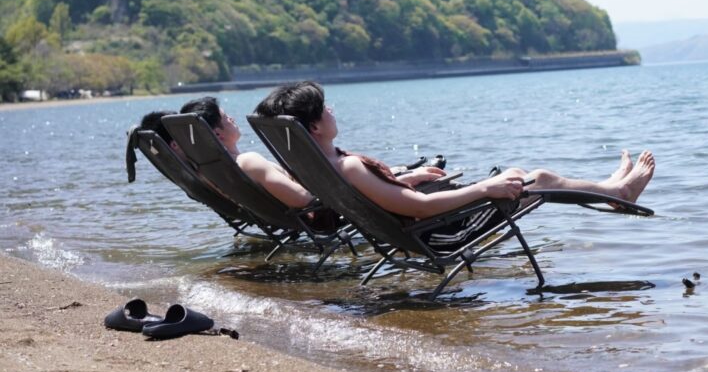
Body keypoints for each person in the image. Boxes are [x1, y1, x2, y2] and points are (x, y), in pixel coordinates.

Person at [253, 81, 655, 250]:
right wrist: (485, 189)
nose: (333, 110)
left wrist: (407, 177)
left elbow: (390, 198)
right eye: (325, 108)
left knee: (523, 175)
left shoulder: (322, 166)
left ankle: (610, 190)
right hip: (439, 231)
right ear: (314, 126)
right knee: (539, 178)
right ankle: (619, 192)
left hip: (420, 227)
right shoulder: (348, 168)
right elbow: (420, 208)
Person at [179, 96, 316, 210]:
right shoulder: (248, 162)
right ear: (217, 133)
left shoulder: (207, 171)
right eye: (226, 117)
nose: (232, 118)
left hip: (269, 216)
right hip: (313, 213)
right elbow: (302, 200)